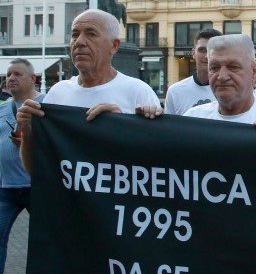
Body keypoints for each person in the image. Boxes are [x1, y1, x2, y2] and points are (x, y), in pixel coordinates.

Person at [16, 9, 160, 175]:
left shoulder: (138, 92)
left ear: (114, 46)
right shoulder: (58, 93)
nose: (80, 42)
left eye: (91, 34)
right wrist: (27, 132)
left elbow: (154, 166)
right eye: (75, 34)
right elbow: (37, 171)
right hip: (68, 200)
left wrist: (122, 128)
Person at [180, 35, 256, 129]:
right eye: (214, 68)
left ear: (254, 72)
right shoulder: (191, 122)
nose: (222, 76)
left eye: (233, 67)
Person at [0, 59, 41, 274]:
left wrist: (28, 143)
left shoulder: (47, 103)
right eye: (8, 74)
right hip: (5, 187)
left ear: (32, 79)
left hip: (37, 186)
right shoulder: (3, 107)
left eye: (17, 73)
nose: (11, 77)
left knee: (47, 239)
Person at [164, 28, 222, 114]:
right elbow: (169, 126)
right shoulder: (175, 91)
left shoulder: (232, 90)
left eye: (213, 50)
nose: (207, 56)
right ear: (193, 53)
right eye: (202, 50)